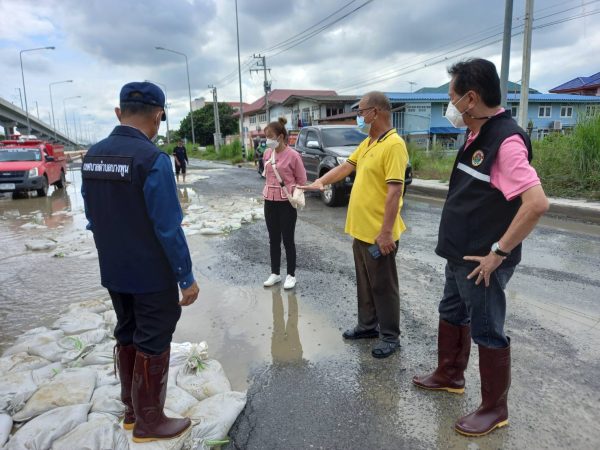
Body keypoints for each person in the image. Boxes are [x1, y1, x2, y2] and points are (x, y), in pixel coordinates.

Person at [412, 58, 549, 437]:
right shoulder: (478, 133)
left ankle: (494, 408)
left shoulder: (505, 141)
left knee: (488, 330)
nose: (450, 106)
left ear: (470, 99)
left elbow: (536, 204)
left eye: (452, 97)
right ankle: (450, 375)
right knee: (452, 312)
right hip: (459, 255)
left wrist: (499, 253)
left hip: (482, 262)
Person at [81, 81, 199, 443]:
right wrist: (186, 277)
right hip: (151, 274)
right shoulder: (153, 160)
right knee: (153, 337)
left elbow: (91, 216)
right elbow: (167, 227)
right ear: (159, 116)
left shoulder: (92, 156)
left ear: (119, 112)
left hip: (114, 270)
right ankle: (149, 421)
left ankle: (131, 411)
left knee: (127, 330)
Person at [301, 91, 409, 359]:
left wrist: (386, 233)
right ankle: (367, 326)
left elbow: (395, 191)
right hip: (361, 230)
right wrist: (321, 182)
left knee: (384, 285)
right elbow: (346, 168)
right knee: (365, 282)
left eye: (361, 111)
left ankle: (390, 336)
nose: (358, 116)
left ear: (376, 112)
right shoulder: (370, 142)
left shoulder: (394, 145)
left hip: (379, 233)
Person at [262, 117, 307, 290]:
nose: (268, 140)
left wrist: (291, 189)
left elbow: (302, 180)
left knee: (288, 240)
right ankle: (275, 273)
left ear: (280, 137)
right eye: (266, 136)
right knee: (273, 239)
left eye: (270, 136)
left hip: (286, 202)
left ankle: (291, 275)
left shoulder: (294, 155)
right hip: (269, 200)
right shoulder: (268, 153)